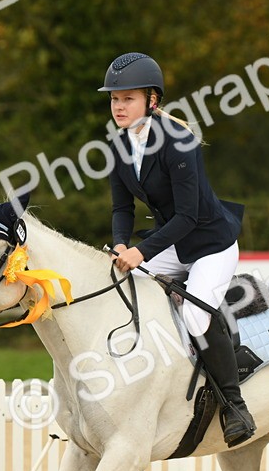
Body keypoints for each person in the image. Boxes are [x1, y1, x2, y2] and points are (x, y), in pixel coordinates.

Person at [100, 52, 256, 447]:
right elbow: (121, 208)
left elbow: (187, 216)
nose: (119, 106)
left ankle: (235, 405)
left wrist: (142, 252)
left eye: (128, 98)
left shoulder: (179, 143)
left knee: (196, 315)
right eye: (115, 99)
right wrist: (121, 243)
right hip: (172, 242)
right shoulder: (118, 145)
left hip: (210, 244)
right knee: (119, 287)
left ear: (152, 101)